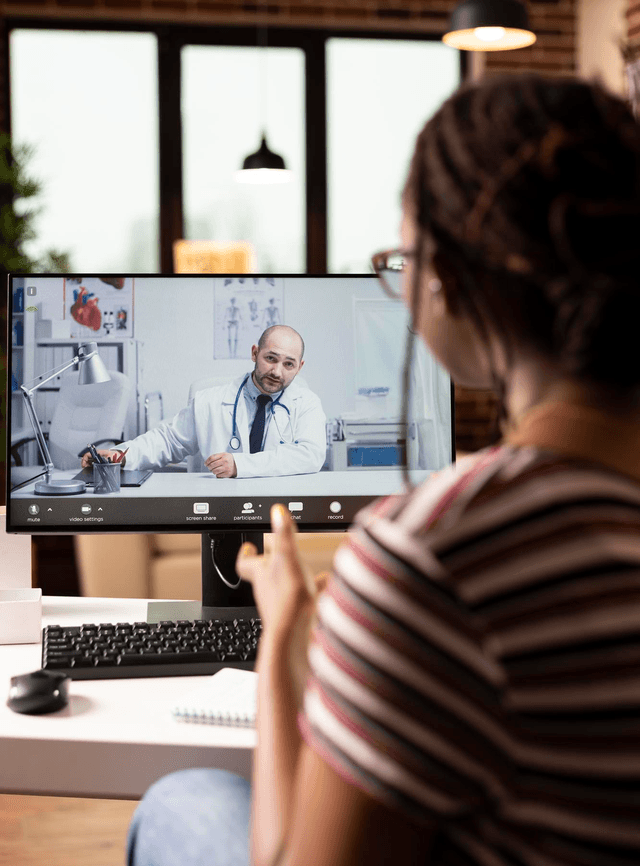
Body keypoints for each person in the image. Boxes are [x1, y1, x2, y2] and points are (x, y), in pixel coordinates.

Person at [126, 74, 640, 866]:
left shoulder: (432, 552)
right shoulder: (206, 398)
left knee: (179, 800)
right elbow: (158, 444)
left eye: (404, 259)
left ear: (452, 277)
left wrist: (285, 643)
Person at [82, 325, 326, 478]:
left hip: (280, 509)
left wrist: (240, 465)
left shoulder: (307, 403)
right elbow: (167, 441)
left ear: (299, 367)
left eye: (288, 364)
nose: (277, 371)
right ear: (254, 353)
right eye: (270, 358)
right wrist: (119, 454)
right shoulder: (209, 401)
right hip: (218, 509)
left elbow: (311, 455)